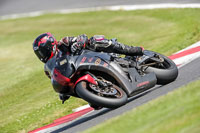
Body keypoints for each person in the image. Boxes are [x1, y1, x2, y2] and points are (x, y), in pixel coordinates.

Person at [33, 32, 144, 104]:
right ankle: (100, 92)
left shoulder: (64, 43)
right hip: (77, 73)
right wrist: (62, 92)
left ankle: (131, 50)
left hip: (91, 56)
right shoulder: (48, 68)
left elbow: (82, 37)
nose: (41, 55)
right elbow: (58, 77)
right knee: (95, 105)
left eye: (42, 51)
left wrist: (78, 43)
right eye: (39, 54)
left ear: (49, 45)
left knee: (95, 41)